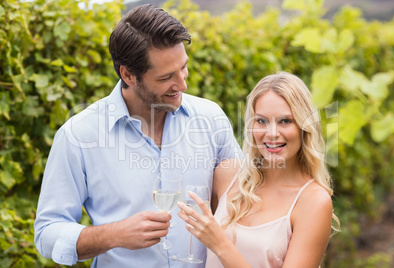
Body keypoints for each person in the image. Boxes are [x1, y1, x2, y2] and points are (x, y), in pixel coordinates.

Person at [34, 4, 242, 267]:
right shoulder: (78, 136)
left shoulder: (211, 119)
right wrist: (114, 234)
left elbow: (245, 203)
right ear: (128, 75)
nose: (183, 84)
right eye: (167, 77)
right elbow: (47, 232)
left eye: (184, 68)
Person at [177, 71, 340, 268]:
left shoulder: (313, 201)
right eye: (261, 121)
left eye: (285, 121)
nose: (271, 133)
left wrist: (220, 244)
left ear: (304, 127)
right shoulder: (227, 175)